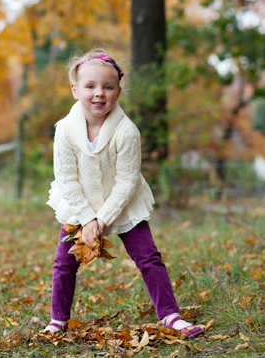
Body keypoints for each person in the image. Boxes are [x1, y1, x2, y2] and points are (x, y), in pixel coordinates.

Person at [44, 48, 203, 337]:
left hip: (122, 202)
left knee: (148, 257)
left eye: (108, 87)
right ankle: (58, 320)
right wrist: (87, 218)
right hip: (78, 203)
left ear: (118, 91)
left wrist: (101, 221)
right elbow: (66, 179)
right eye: (90, 86)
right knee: (64, 261)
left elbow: (127, 182)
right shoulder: (65, 129)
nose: (99, 94)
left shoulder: (127, 131)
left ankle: (171, 315)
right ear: (75, 89)